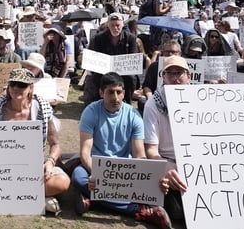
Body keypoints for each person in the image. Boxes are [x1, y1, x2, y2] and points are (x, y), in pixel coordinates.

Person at [0, 68, 70, 214]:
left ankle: (3, 197)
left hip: (32, 169)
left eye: (22, 85)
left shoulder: (42, 109)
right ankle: (31, 197)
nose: (16, 89)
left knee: (63, 181)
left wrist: (50, 162)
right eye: (12, 84)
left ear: (31, 87)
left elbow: (55, 144)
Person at [72, 72, 172, 228]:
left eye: (119, 92)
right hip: (95, 167)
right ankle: (137, 210)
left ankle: (93, 199)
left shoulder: (134, 115)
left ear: (124, 93)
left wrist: (149, 180)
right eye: (110, 92)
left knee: (153, 187)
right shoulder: (90, 112)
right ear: (101, 93)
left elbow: (139, 155)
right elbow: (85, 153)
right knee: (78, 176)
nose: (115, 97)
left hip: (124, 170)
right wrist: (98, 176)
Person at [143, 56, 191, 222]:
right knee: (178, 213)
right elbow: (151, 150)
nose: (175, 78)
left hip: (196, 163)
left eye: (179, 73)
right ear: (163, 77)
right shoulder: (152, 105)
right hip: (167, 161)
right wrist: (167, 166)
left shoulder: (201, 100)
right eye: (170, 74)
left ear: (189, 76)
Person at [85, 12, 138, 104]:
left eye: (117, 25)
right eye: (112, 25)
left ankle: (127, 102)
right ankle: (96, 103)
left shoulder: (131, 38)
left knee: (131, 78)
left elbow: (133, 56)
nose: (115, 28)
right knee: (94, 78)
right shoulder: (98, 38)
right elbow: (92, 56)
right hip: (102, 70)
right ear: (108, 25)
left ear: (122, 25)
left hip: (123, 70)